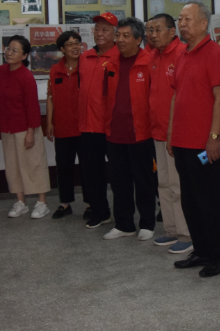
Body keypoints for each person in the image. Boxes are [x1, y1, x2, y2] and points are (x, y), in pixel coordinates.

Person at [168, 1, 220, 277]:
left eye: (187, 19)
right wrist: (171, 134)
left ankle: (219, 255)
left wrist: (214, 138)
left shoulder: (215, 53)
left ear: (204, 23)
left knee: (211, 200)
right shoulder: (183, 53)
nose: (182, 24)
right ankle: (202, 250)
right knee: (191, 201)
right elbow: (176, 96)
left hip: (204, 145)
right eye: (180, 19)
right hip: (182, 142)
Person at [101, 18, 159, 241]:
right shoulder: (110, 63)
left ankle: (147, 223)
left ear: (138, 39)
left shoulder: (149, 61)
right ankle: (124, 224)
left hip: (142, 134)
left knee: (144, 182)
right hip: (115, 134)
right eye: (118, 35)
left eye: (126, 36)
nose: (120, 40)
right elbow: (106, 97)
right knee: (119, 183)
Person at [146, 14, 192, 254]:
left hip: (176, 133)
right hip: (157, 131)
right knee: (163, 184)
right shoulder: (154, 56)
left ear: (172, 31)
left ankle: (186, 233)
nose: (152, 34)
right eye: (149, 30)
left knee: (177, 185)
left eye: (157, 29)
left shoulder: (183, 53)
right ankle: (171, 230)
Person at [0, 35, 51, 219]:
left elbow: (32, 106)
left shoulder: (26, 76)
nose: (9, 53)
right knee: (13, 166)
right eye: (8, 48)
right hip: (7, 127)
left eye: (14, 50)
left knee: (34, 164)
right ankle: (21, 202)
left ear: (25, 55)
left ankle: (42, 203)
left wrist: (30, 132)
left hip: (26, 128)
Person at [77, 13, 120, 228]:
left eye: (105, 29)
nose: (99, 33)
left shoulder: (120, 56)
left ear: (115, 33)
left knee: (119, 174)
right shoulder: (85, 57)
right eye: (97, 29)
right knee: (92, 173)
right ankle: (100, 212)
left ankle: (124, 216)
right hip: (88, 126)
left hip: (112, 126)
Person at [45, 30, 84, 219]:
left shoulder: (87, 67)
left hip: (84, 127)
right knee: (63, 167)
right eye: (70, 44)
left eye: (77, 43)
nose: (75, 47)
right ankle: (65, 203)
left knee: (87, 168)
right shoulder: (55, 69)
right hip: (62, 127)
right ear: (62, 49)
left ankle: (91, 203)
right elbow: (50, 98)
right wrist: (49, 123)